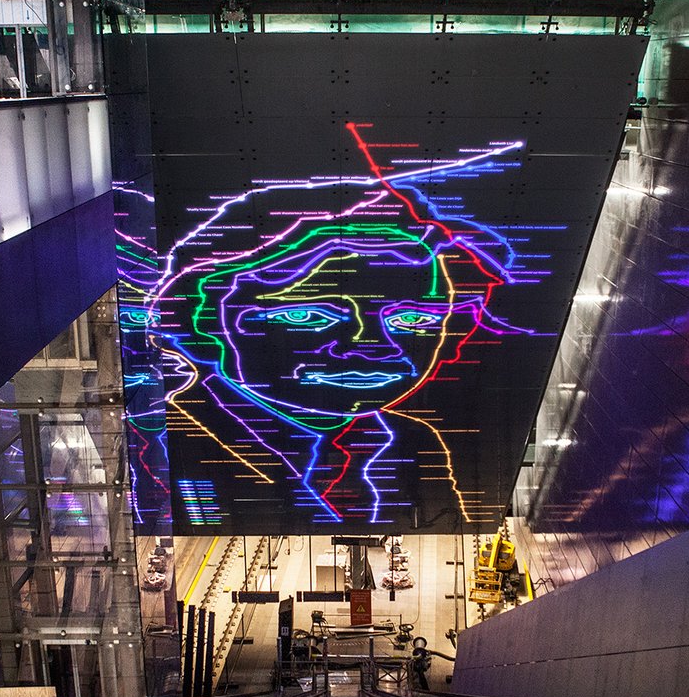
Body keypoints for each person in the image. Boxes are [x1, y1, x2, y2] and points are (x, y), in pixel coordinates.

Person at [148, 123, 542, 529]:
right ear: (207, 323)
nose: (373, 345)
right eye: (307, 315)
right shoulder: (173, 438)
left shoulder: (409, 439)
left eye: (413, 318)